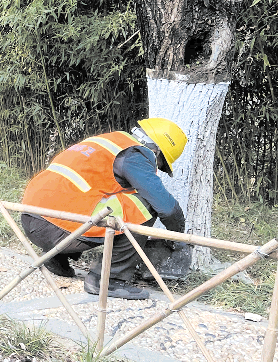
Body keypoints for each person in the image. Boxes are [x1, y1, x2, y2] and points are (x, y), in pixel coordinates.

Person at [20, 117, 189, 301]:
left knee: (98, 200)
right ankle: (109, 279)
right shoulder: (135, 155)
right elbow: (166, 207)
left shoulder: (111, 141)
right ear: (155, 151)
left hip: (31, 219)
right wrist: (178, 238)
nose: (156, 168)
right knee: (143, 206)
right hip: (57, 227)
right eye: (161, 164)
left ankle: (56, 256)